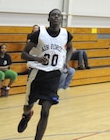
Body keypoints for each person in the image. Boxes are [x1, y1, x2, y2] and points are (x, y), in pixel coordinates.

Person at [17, 8, 73, 140]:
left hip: (53, 75)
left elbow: (70, 47)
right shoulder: (39, 34)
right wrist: (37, 59)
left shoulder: (66, 34)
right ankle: (26, 115)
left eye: (58, 15)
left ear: (61, 19)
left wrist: (66, 61)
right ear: (48, 19)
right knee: (28, 105)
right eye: (53, 15)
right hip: (37, 74)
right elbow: (23, 54)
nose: (56, 17)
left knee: (45, 111)